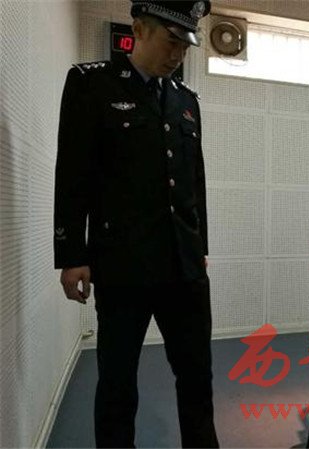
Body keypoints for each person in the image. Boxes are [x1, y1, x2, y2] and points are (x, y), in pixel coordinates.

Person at [53, 1, 218, 447]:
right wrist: (71, 255)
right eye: (171, 42)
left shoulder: (186, 100)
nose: (178, 55)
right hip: (123, 265)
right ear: (140, 29)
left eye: (185, 46)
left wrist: (200, 246)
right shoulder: (92, 84)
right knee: (117, 382)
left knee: (197, 377)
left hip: (183, 267)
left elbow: (194, 182)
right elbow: (72, 175)